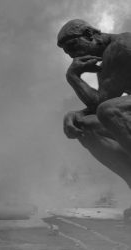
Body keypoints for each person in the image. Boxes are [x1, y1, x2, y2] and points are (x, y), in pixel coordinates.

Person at [57, 20, 131, 220]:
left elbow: (103, 104)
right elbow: (101, 102)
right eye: (67, 53)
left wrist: (73, 77)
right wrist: (76, 115)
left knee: (109, 110)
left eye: (73, 47)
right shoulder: (109, 56)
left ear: (91, 34)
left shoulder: (120, 47)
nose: (72, 55)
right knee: (84, 126)